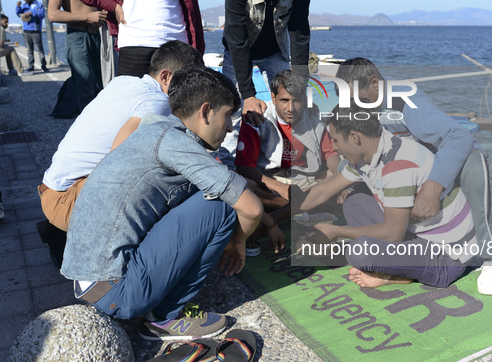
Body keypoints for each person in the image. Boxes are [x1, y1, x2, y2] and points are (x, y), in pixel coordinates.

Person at [61, 65, 263, 341]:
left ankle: (157, 301)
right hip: (116, 292)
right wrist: (237, 242)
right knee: (223, 205)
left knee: (208, 193)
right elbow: (251, 208)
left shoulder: (157, 128)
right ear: (205, 111)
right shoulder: (175, 144)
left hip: (91, 280)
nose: (230, 127)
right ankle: (165, 317)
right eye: (228, 115)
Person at [334, 58, 492, 295]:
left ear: (375, 84)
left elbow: (459, 138)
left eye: (359, 101)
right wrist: (342, 175)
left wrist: (434, 186)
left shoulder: (407, 101)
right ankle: (406, 256)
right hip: (407, 177)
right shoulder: (363, 110)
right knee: (354, 200)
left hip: (443, 171)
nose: (356, 110)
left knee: (475, 163)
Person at [295, 104, 478, 289]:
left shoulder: (397, 166)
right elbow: (322, 192)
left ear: (354, 137)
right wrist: (273, 219)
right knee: (355, 202)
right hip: (418, 235)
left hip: (447, 258)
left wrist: (335, 231)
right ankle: (392, 262)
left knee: (360, 252)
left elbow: (393, 233)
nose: (334, 147)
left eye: (335, 140)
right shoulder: (374, 151)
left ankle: (397, 274)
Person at [39, 40, 203, 233]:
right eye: (188, 83)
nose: (192, 91)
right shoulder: (157, 100)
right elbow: (118, 158)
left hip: (51, 189)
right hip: (68, 200)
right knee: (174, 181)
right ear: (165, 76)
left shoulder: (122, 82)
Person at [235, 70, 339, 252]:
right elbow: (243, 167)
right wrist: (279, 187)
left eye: (297, 100)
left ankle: (273, 218)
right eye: (284, 100)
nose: (291, 108)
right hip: (269, 181)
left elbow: (331, 155)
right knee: (244, 185)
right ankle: (303, 211)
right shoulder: (256, 119)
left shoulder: (314, 117)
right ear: (273, 98)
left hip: (306, 181)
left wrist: (338, 177)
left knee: (339, 176)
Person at [220, 0, 311, 167]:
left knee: (291, 104)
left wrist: (301, 80)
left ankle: (285, 160)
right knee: (232, 110)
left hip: (275, 51)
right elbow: (237, 41)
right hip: (238, 52)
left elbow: (299, 33)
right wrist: (248, 94)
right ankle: (227, 167)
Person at [55, 0, 205, 78]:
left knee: (181, 114)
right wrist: (110, 5)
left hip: (176, 42)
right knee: (131, 112)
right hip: (134, 41)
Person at [47, 0, 107, 114]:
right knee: (84, 85)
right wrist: (87, 16)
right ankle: (88, 129)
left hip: (98, 36)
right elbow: (52, 14)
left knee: (103, 83)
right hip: (77, 36)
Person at [15, 0, 49, 73]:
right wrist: (18, 7)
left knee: (40, 50)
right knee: (29, 50)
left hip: (35, 31)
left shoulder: (38, 5)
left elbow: (42, 15)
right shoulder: (24, 6)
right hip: (26, 31)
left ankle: (44, 66)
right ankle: (31, 66)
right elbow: (18, 14)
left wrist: (32, 13)